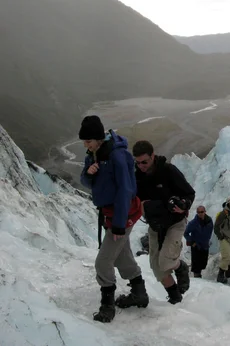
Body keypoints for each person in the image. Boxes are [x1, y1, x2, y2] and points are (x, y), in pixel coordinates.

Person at [78, 115, 149, 323]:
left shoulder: (117, 156)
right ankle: (139, 293)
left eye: (88, 141)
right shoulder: (93, 154)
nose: (85, 145)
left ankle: (107, 305)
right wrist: (89, 174)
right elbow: (86, 181)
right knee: (121, 256)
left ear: (99, 138)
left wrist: (119, 224)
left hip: (123, 213)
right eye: (84, 141)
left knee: (103, 262)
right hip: (111, 214)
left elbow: (125, 191)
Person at [132, 140, 195, 304]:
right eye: (137, 163)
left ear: (153, 156)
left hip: (174, 222)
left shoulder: (168, 171)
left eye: (144, 162)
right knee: (156, 268)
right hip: (155, 225)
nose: (141, 166)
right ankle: (175, 297)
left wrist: (184, 205)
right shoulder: (137, 177)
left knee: (166, 262)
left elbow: (189, 193)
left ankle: (180, 267)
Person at [184, 206, 213, 278]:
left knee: (203, 264)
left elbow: (210, 231)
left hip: (205, 245)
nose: (200, 214)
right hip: (196, 245)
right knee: (196, 263)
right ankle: (197, 277)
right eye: (199, 212)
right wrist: (191, 241)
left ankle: (198, 274)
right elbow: (186, 233)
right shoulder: (193, 223)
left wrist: (207, 240)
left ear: (205, 211)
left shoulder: (209, 221)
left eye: (202, 212)